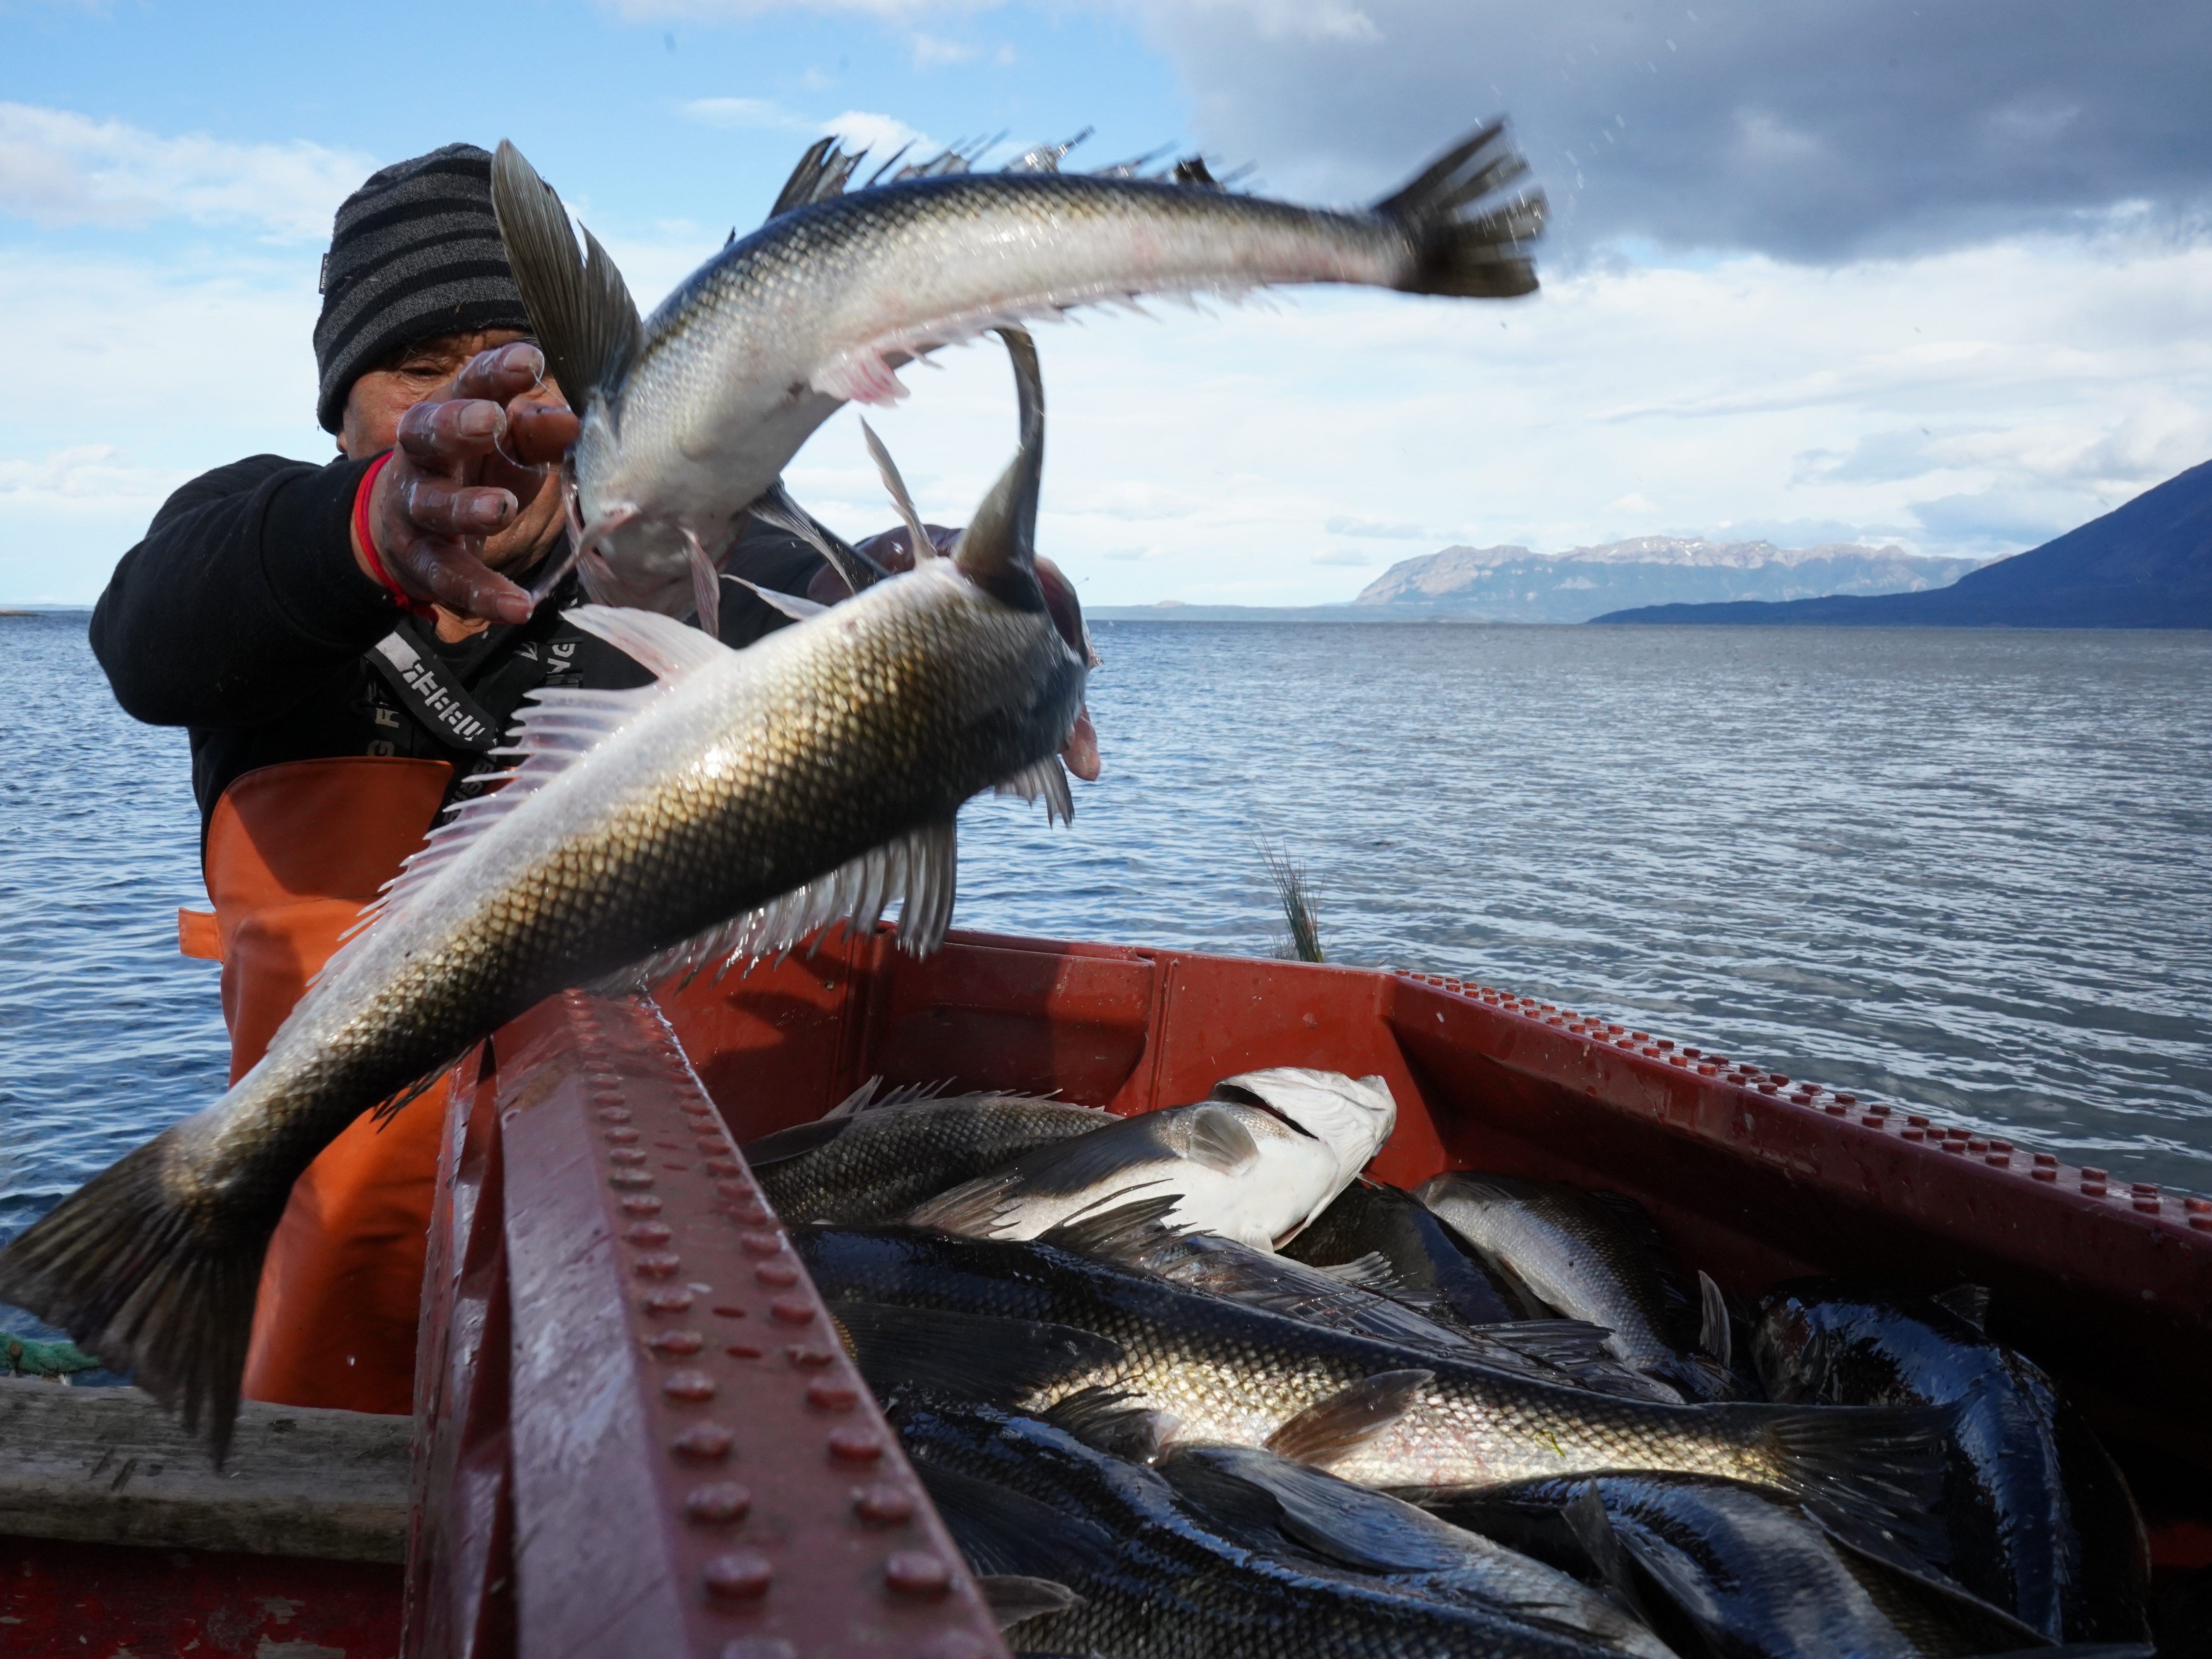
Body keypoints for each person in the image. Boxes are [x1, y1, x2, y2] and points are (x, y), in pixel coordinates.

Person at [89, 143, 848, 1414]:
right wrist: (373, 533)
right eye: (421, 373)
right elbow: (147, 632)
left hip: (671, 1323)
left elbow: (846, 663)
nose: (476, 410)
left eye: (514, 361)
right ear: (343, 416)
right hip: (337, 1344)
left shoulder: (706, 567)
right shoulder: (265, 551)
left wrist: (952, 617)